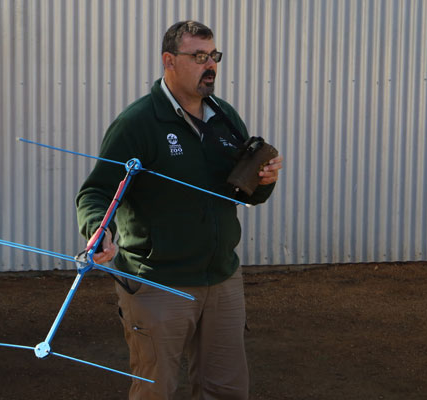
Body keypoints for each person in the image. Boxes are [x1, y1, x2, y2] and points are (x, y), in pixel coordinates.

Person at [76, 20, 283, 399]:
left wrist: (264, 182)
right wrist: (98, 229)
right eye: (199, 56)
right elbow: (96, 192)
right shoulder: (138, 123)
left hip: (221, 279)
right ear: (168, 60)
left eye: (214, 56)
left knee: (226, 389)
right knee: (157, 390)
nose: (211, 66)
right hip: (159, 283)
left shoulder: (224, 117)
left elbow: (243, 193)